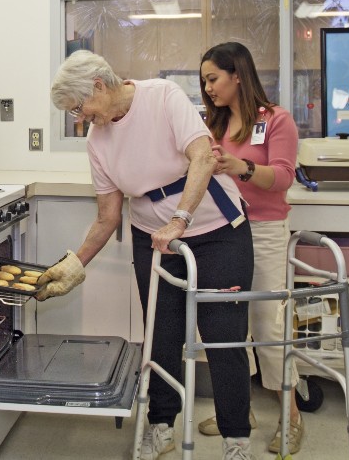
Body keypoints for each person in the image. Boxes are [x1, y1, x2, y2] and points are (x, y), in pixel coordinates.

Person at [36, 49, 255, 460]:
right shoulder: (97, 142)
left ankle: (236, 439)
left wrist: (180, 220)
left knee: (223, 336)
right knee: (161, 334)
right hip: (152, 237)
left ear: (99, 85)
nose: (80, 119)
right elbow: (107, 217)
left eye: (79, 107)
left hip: (216, 232)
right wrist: (73, 265)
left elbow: (203, 157)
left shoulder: (163, 97)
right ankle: (160, 427)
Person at [197, 42, 303, 455]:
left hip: (264, 231)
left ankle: (290, 416)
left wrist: (239, 166)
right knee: (230, 328)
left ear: (237, 75)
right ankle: (242, 412)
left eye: (213, 78)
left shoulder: (276, 120)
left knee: (268, 325)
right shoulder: (214, 124)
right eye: (204, 81)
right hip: (224, 233)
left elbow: (281, 178)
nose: (208, 88)